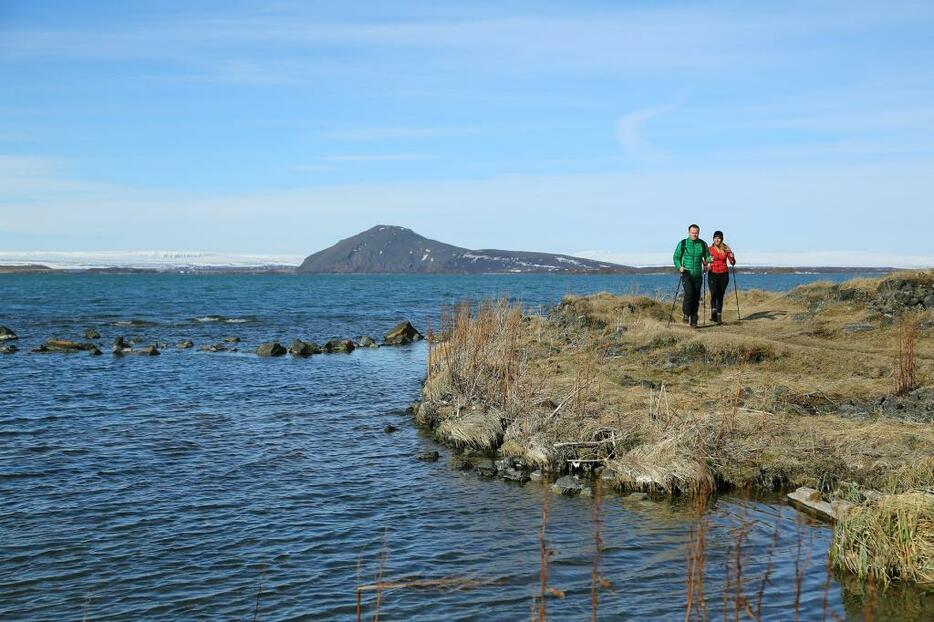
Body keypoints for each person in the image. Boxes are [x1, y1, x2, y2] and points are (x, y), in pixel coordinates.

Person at [673, 224, 711, 328]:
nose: (695, 234)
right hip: (686, 273)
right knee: (689, 293)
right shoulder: (683, 243)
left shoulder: (702, 244)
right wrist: (679, 267)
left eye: (696, 232)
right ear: (689, 232)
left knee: (696, 297)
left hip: (698, 274)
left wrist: (709, 261)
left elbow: (707, 256)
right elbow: (676, 257)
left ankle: (694, 320)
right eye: (693, 232)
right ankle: (686, 313)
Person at [707, 230, 736, 323]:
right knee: (714, 293)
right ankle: (713, 313)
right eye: (715, 238)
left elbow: (732, 262)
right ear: (713, 239)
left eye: (719, 238)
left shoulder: (726, 249)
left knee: (720, 295)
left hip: (724, 274)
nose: (717, 240)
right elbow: (705, 262)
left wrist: (732, 256)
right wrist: (707, 261)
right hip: (712, 273)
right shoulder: (709, 249)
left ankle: (719, 316)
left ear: (722, 239)